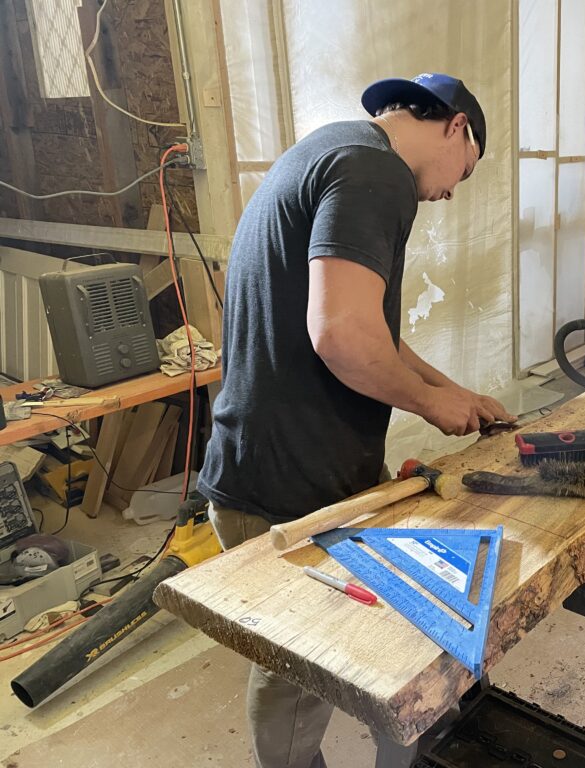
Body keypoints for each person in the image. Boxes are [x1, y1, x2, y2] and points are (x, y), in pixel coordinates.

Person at [198, 73, 515, 768]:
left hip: (295, 460)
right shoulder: (378, 172)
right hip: (286, 481)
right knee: (298, 670)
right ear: (456, 128)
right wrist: (432, 407)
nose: (452, 192)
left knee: (381, 626)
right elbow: (340, 335)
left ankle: (406, 748)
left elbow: (371, 328)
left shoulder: (335, 150)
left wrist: (454, 388)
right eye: (465, 172)